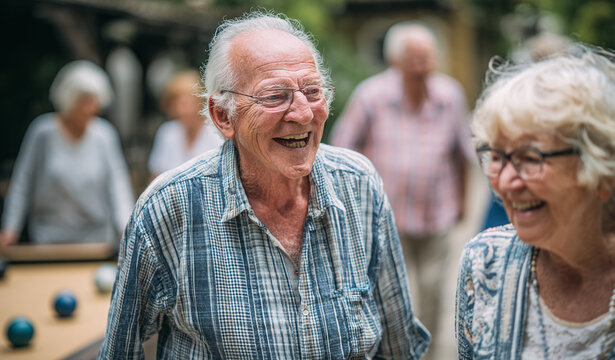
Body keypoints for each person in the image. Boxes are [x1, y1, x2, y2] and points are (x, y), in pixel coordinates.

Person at [99, 11, 429, 359]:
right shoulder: (169, 209)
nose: (303, 114)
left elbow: (398, 347)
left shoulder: (359, 186)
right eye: (274, 96)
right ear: (223, 116)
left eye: (312, 91)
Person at [456, 44, 615, 358]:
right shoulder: (484, 263)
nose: (505, 182)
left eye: (530, 158)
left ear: (601, 164)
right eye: (497, 156)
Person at [330, 21, 473, 350]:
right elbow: (342, 149)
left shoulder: (449, 95)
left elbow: (461, 153)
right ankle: (397, 351)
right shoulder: (372, 95)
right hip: (386, 216)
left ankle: (430, 352)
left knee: (436, 291)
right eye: (414, 57)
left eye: (427, 57)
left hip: (437, 212)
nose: (422, 65)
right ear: (395, 60)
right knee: (395, 293)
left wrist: (463, 202)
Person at [0, 60, 134, 246]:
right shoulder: (42, 132)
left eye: (95, 101)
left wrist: (126, 228)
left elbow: (118, 183)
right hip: (48, 239)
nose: (90, 108)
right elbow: (23, 181)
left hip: (96, 240)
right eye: (84, 101)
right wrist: (10, 228)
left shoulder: (104, 134)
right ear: (69, 100)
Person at [147, 70, 224, 179]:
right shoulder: (167, 133)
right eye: (176, 104)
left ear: (199, 103)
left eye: (186, 104)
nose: (181, 110)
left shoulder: (216, 135)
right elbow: (156, 177)